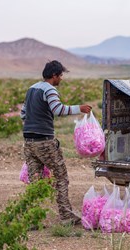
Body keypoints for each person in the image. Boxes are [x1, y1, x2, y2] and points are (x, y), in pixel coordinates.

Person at [20, 60, 92, 225]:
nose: (61, 79)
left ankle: (32, 219)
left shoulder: (31, 89)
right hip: (44, 141)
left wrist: (33, 121)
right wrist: (78, 109)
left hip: (28, 141)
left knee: (35, 180)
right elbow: (58, 110)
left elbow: (23, 114)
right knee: (61, 176)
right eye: (60, 75)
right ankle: (66, 216)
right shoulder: (50, 90)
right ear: (54, 76)